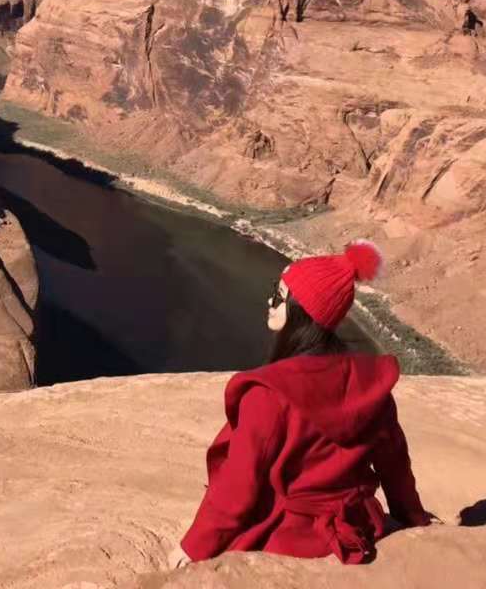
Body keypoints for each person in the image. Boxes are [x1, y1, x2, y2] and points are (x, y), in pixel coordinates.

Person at [167, 241, 435, 569]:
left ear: (301, 310)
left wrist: (195, 546)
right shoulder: (371, 384)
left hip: (290, 536)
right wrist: (413, 518)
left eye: (279, 295)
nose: (270, 301)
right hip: (359, 526)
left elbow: (240, 483)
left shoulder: (269, 393)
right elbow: (394, 464)